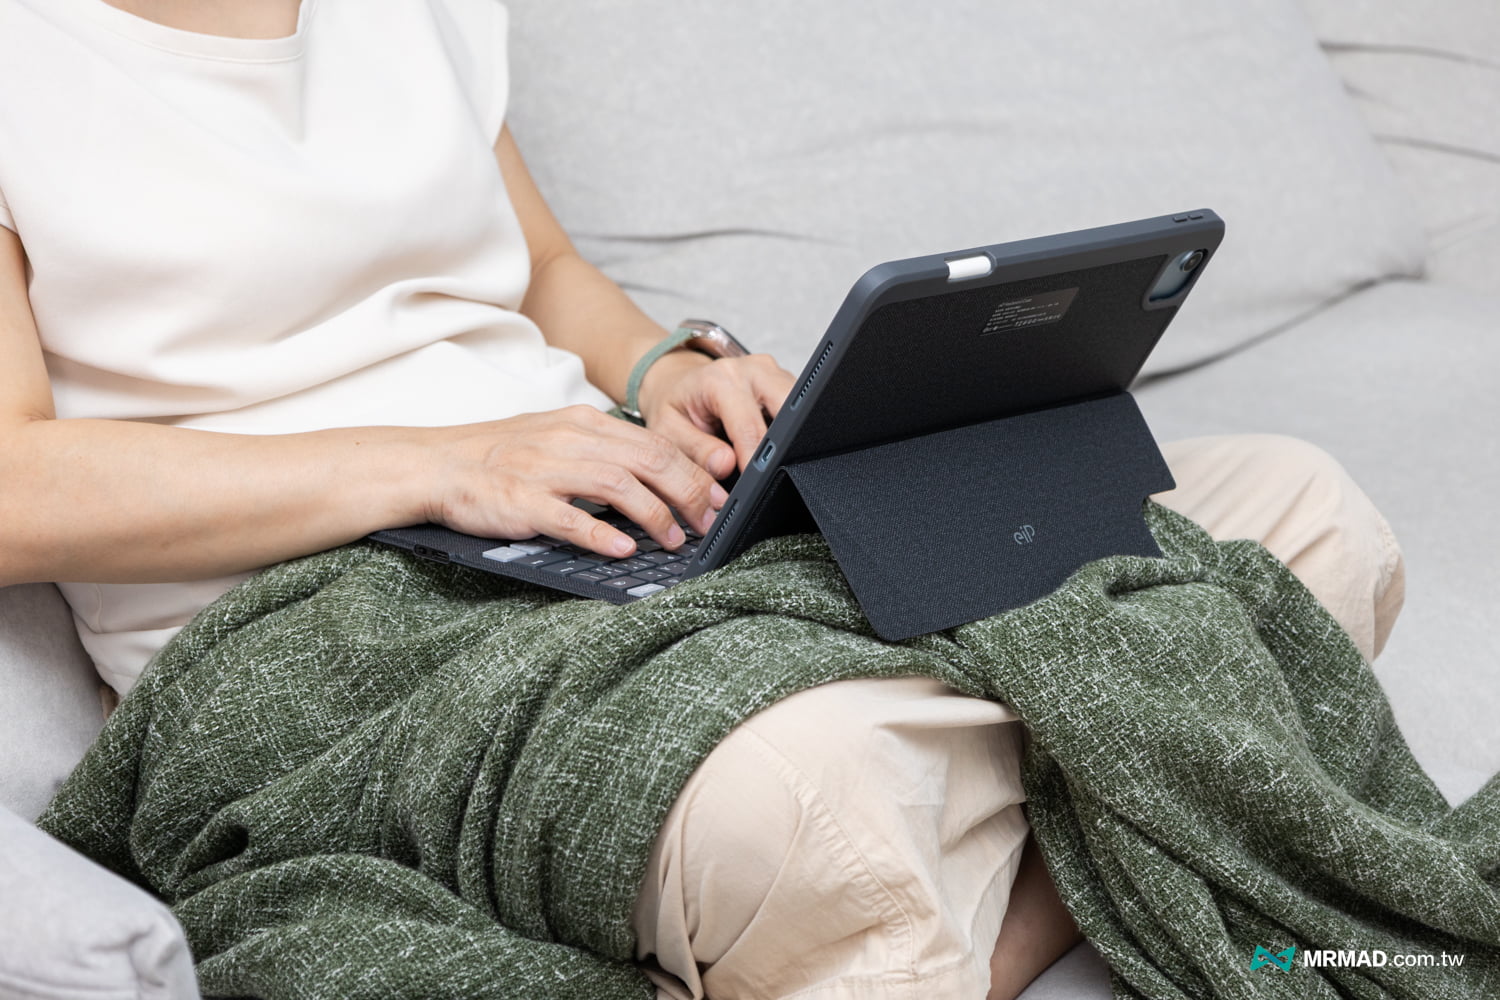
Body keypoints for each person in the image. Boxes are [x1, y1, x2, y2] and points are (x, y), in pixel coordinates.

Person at [0, 1, 1406, 997]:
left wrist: (670, 371)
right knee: (817, 797)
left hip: (596, 506)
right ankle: (1064, 831)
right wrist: (447, 463)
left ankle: (914, 914)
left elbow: (542, 271)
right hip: (324, 613)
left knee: (1299, 510)